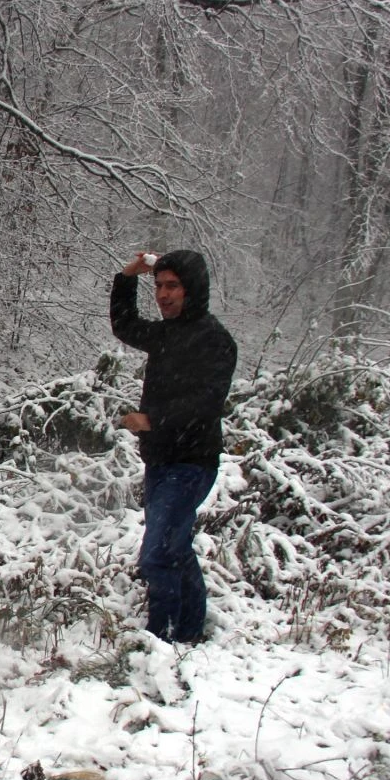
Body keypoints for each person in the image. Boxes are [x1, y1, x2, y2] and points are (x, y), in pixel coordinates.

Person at [110, 249, 237, 644]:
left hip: (192, 462)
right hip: (161, 460)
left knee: (157, 553)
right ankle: (188, 631)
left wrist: (153, 420)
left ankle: (161, 637)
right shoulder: (167, 334)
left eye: (173, 286)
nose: (163, 295)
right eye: (159, 286)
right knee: (175, 546)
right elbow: (125, 325)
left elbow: (207, 402)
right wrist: (127, 275)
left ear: (192, 288)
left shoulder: (215, 341)